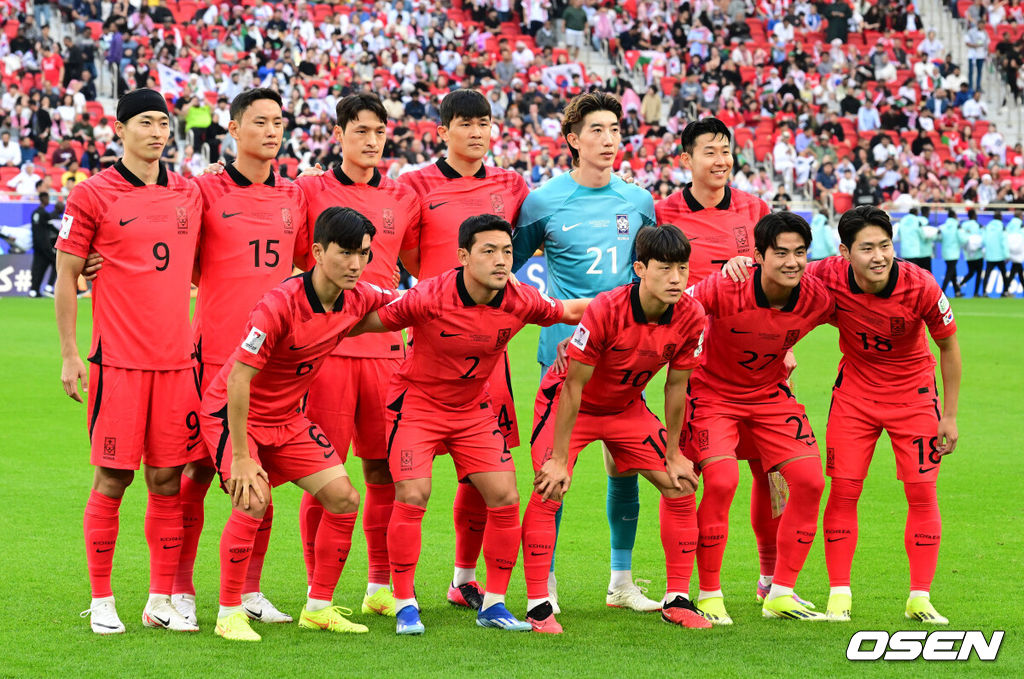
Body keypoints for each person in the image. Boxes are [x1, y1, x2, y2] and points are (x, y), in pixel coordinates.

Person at [351, 215, 589, 635]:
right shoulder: (428, 296)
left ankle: (494, 604)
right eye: (489, 251)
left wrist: (639, 295)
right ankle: (405, 603)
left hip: (472, 410)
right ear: (463, 256)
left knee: (505, 495)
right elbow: (370, 321)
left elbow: (569, 310)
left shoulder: (521, 299)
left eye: (507, 252)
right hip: (417, 406)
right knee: (413, 492)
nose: (501, 261)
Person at [199, 207, 393, 642]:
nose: (356, 264)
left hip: (287, 418)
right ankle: (229, 613)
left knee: (344, 499)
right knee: (253, 500)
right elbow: (237, 378)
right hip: (235, 416)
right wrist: (242, 457)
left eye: (363, 253)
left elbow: (410, 300)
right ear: (318, 252)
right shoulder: (278, 305)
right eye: (345, 253)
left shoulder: (359, 295)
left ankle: (319, 607)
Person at [55, 89, 203, 635]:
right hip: (117, 362)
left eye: (163, 124)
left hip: (175, 363)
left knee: (167, 480)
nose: (157, 132)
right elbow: (68, 275)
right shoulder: (93, 195)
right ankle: (101, 599)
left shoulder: (190, 192)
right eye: (145, 122)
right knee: (113, 477)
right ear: (119, 130)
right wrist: (71, 355)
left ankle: (160, 598)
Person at [521, 225, 711, 634]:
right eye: (665, 269)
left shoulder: (692, 316)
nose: (677, 278)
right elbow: (573, 384)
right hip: (572, 402)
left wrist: (675, 453)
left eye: (682, 268)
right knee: (549, 485)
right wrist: (558, 459)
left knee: (680, 484)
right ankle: (538, 602)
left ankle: (676, 599)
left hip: (626, 407)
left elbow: (677, 388)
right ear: (640, 268)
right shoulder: (607, 308)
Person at [512, 91, 659, 612]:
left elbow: (655, 271)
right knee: (555, 471)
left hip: (626, 360)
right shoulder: (543, 201)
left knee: (626, 467)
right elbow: (504, 266)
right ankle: (544, 582)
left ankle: (622, 582)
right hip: (563, 357)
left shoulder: (638, 202)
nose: (609, 139)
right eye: (597, 130)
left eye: (615, 129)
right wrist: (549, 308)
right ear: (572, 140)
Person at [655, 117, 805, 612]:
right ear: (686, 160)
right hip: (699, 368)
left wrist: (786, 340)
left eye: (727, 151)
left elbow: (782, 283)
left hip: (761, 368)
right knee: (699, 478)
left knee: (774, 474)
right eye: (710, 152)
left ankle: (769, 578)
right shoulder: (664, 214)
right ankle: (683, 585)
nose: (721, 161)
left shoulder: (754, 209)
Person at [175, 88, 309, 627]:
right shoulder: (203, 189)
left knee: (264, 477)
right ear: (233, 129)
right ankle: (177, 589)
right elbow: (182, 262)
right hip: (211, 359)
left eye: (279, 121)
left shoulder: (295, 195)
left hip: (271, 365)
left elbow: (307, 265)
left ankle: (250, 591)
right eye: (260, 121)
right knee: (194, 475)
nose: (272, 130)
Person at [398, 89, 530, 612]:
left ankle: (464, 577)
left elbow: (529, 239)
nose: (477, 132)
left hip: (487, 351)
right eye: (466, 123)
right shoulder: (414, 185)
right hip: (430, 345)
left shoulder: (512, 184)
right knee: (404, 478)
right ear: (442, 130)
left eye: (485, 122)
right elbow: (408, 254)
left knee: (482, 476)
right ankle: (389, 588)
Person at [798, 206, 960, 624]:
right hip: (854, 397)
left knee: (922, 494)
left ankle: (919, 598)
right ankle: (839, 595)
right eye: (866, 248)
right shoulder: (825, 274)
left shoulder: (920, 285)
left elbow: (948, 346)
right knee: (844, 490)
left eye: (885, 245)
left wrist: (950, 415)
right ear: (844, 252)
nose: (878, 256)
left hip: (915, 398)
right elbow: (781, 284)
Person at [295, 93, 420, 618]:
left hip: (388, 356)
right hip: (327, 353)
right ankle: (316, 593)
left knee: (383, 473)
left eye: (379, 132)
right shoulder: (308, 190)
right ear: (340, 134)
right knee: (325, 473)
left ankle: (378, 588)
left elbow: (419, 262)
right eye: (361, 131)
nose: (371, 141)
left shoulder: (403, 195)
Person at [685, 213, 835, 624]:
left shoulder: (817, 298)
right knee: (719, 481)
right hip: (712, 393)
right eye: (780, 253)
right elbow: (680, 309)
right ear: (757, 257)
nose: (792, 262)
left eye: (800, 253)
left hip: (769, 396)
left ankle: (781, 592)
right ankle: (708, 593)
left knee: (809, 480)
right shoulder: (726, 284)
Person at [29, 191, 58, 298]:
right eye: (47, 198)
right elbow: (52, 228)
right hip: (45, 246)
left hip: (36, 246)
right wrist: (61, 234)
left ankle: (34, 290)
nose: (48, 200)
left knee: (38, 267)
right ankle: (49, 287)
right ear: (44, 199)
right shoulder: (45, 214)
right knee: (56, 263)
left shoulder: (34, 213)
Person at [958, 208, 984, 297]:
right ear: (974, 216)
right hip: (978, 254)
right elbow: (980, 239)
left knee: (971, 272)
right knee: (978, 273)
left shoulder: (963, 225)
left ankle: (960, 284)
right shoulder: (977, 225)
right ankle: (976, 292)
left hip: (968, 255)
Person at [982, 211, 1008, 296]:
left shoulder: (988, 227)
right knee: (1004, 274)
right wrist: (1006, 255)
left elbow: (984, 240)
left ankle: (984, 292)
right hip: (1000, 255)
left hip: (990, 255)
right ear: (1000, 218)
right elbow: (1004, 242)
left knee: (987, 274)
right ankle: (1005, 291)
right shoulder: (1001, 227)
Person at [939, 209, 963, 297]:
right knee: (949, 273)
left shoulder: (943, 226)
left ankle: (957, 291)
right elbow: (962, 239)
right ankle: (942, 292)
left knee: (953, 272)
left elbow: (939, 238)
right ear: (954, 216)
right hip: (954, 253)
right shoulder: (957, 226)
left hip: (945, 253)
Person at [1005, 209, 1023, 296]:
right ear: (1020, 216)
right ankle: (1005, 290)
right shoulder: (1021, 224)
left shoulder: (1009, 224)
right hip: (1018, 250)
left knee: (1017, 271)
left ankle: (1005, 289)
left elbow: (1005, 236)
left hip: (1010, 250)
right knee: (1017, 270)